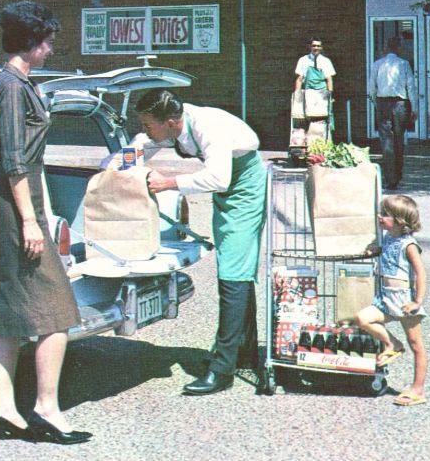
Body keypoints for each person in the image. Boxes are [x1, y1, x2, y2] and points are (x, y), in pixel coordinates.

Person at [0, 1, 91, 444]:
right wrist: (29, 220)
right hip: (15, 206)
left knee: (8, 309)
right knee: (57, 310)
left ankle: (3, 406)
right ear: (29, 41)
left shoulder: (23, 83)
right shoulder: (10, 86)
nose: (50, 47)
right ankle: (45, 407)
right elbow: (13, 159)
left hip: (20, 202)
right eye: (46, 40)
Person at [132, 89, 267, 396]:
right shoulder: (175, 124)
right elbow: (143, 144)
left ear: (169, 122)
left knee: (233, 274)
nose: (146, 130)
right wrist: (120, 163)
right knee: (237, 269)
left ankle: (222, 370)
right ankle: (242, 352)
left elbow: (218, 178)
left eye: (148, 124)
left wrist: (168, 182)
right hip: (227, 192)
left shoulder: (207, 127)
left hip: (242, 187)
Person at [356, 195, 427, 407]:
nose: (380, 216)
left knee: (416, 345)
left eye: (385, 215)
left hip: (404, 300)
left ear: (399, 220)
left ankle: (418, 388)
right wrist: (374, 250)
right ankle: (393, 344)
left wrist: (417, 301)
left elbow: (420, 273)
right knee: (363, 318)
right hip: (385, 299)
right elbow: (385, 253)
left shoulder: (409, 245)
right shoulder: (387, 238)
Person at [368, 37, 417, 189]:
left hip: (383, 103)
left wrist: (376, 103)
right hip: (400, 104)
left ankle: (391, 178)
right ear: (398, 48)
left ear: (385, 48)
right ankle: (398, 173)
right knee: (398, 139)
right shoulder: (404, 64)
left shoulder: (377, 64)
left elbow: (371, 88)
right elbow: (411, 87)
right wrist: (414, 108)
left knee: (386, 141)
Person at [293, 37, 336, 138]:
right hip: (308, 93)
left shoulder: (326, 61)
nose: (316, 48)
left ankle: (325, 140)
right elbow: (299, 79)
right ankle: (307, 141)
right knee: (306, 117)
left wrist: (330, 95)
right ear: (310, 47)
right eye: (314, 46)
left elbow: (329, 79)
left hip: (322, 95)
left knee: (323, 119)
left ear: (321, 47)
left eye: (318, 46)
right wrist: (297, 95)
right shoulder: (303, 60)